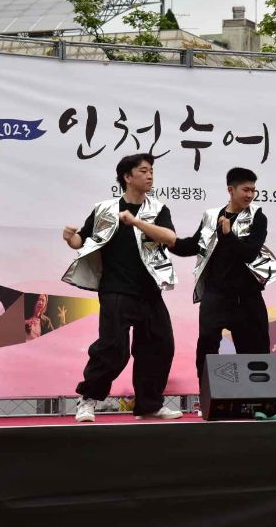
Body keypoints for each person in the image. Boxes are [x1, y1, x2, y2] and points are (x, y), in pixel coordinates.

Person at [62, 153, 182, 422]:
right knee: (113, 349)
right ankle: (88, 399)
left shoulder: (158, 209)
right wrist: (71, 239)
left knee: (159, 346)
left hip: (150, 291)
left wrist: (137, 221)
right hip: (116, 290)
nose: (150, 175)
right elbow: (83, 240)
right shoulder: (105, 209)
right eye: (143, 171)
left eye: (151, 171)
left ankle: (149, 405)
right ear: (127, 177)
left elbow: (170, 238)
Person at [171, 167, 276, 380]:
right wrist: (169, 242)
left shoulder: (257, 216)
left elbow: (249, 253)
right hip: (216, 295)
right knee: (206, 344)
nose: (250, 195)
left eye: (253, 190)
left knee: (256, 349)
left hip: (247, 297)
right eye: (245, 190)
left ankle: (258, 400)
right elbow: (194, 245)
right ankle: (207, 394)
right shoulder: (212, 216)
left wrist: (228, 235)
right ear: (231, 190)